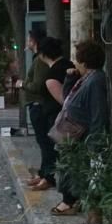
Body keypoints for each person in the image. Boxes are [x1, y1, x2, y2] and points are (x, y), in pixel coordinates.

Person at [51, 41, 109, 218]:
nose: (74, 63)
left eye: (76, 60)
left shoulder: (96, 81)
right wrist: (69, 79)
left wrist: (96, 144)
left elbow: (98, 114)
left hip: (85, 138)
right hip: (74, 136)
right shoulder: (85, 79)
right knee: (75, 175)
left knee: (90, 181)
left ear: (84, 62)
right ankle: (87, 217)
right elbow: (68, 99)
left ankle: (92, 220)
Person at [30, 37, 74, 192]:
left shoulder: (53, 74)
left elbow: (65, 101)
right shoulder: (68, 65)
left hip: (58, 119)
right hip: (63, 118)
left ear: (43, 54)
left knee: (54, 150)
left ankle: (57, 184)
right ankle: (48, 176)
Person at [21, 30, 55, 190]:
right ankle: (43, 174)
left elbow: (38, 85)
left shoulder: (40, 61)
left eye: (29, 39)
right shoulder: (37, 59)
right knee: (42, 142)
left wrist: (22, 84)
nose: (27, 42)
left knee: (45, 142)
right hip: (37, 105)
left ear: (34, 41)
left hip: (39, 106)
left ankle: (48, 177)